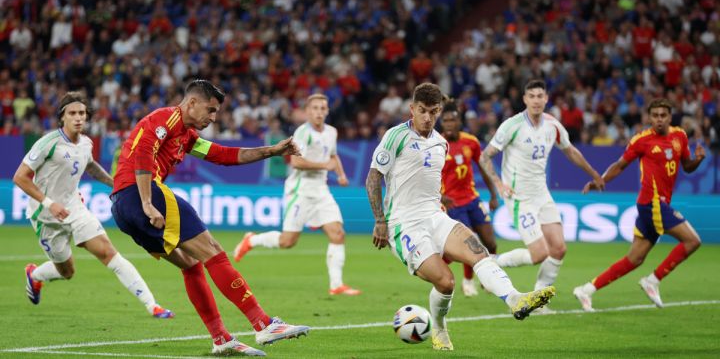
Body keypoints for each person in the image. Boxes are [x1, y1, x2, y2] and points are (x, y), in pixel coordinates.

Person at [110, 80, 309, 356]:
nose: (213, 117)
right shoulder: (167, 118)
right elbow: (144, 152)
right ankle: (263, 324)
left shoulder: (187, 136)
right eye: (211, 110)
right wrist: (147, 202)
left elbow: (223, 155)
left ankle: (221, 338)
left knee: (191, 265)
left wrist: (271, 151)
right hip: (140, 194)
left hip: (121, 207)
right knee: (213, 251)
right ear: (191, 103)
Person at [366, 82, 556, 351]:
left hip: (435, 216)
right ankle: (440, 329)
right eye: (422, 111)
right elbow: (373, 178)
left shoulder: (440, 143)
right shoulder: (395, 137)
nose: (428, 117)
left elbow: (426, 182)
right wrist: (380, 220)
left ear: (440, 111)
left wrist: (439, 202)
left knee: (479, 252)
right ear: (412, 109)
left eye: (433, 112)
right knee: (446, 281)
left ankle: (515, 299)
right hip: (403, 225)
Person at [15, 91, 174, 318]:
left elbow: (90, 166)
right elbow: (20, 177)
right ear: (63, 117)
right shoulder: (48, 143)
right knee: (67, 271)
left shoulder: (86, 143)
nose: (78, 117)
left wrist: (115, 183)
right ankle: (35, 275)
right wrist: (49, 203)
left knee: (109, 253)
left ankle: (153, 306)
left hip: (75, 209)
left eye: (82, 113)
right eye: (72, 113)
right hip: (45, 215)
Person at [479, 79, 605, 313]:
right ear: (525, 99)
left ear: (546, 99)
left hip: (542, 195)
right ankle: (492, 263)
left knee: (558, 249)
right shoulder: (512, 125)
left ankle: (538, 301)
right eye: (532, 96)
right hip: (519, 197)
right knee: (539, 254)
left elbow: (571, 151)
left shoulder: (553, 125)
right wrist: (498, 183)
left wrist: (594, 174)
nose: (536, 100)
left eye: (540, 96)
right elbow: (485, 156)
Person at [573, 98, 704, 311]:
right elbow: (620, 165)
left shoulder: (680, 135)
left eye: (663, 115)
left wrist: (698, 159)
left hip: (654, 206)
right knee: (693, 241)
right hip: (652, 203)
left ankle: (586, 290)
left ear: (670, 117)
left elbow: (687, 166)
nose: (659, 120)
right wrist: (601, 181)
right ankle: (653, 280)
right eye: (655, 116)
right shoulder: (642, 140)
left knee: (634, 259)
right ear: (649, 118)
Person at [233, 94, 360, 296]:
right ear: (308, 112)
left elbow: (333, 155)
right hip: (300, 190)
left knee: (338, 234)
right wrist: (324, 165)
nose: (319, 112)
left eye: (322, 108)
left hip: (321, 190)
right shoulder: (303, 133)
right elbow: (296, 162)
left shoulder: (331, 132)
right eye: (315, 108)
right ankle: (251, 240)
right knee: (287, 242)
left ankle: (336, 285)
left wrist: (341, 175)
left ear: (327, 111)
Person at [439, 101, 500, 297]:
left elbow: (482, 168)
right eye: (445, 120)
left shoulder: (471, 142)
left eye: (452, 120)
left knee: (490, 243)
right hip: (453, 204)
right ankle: (468, 281)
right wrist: (439, 196)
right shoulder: (437, 145)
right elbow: (425, 174)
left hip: (473, 199)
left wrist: (493, 194)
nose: (449, 124)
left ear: (459, 121)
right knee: (470, 242)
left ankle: (490, 277)